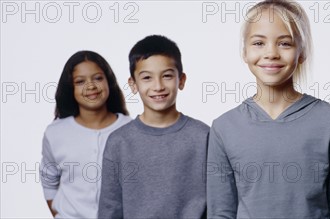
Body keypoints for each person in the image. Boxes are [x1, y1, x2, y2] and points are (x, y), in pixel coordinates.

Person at [206, 0, 330, 218]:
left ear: (302, 52)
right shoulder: (224, 128)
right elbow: (221, 212)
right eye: (259, 43)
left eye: (284, 43)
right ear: (244, 51)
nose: (271, 53)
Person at [97, 35, 210, 218]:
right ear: (133, 84)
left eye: (166, 76)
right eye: (147, 78)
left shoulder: (203, 136)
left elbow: (219, 203)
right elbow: (110, 209)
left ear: (181, 80)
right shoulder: (119, 142)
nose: (158, 86)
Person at [40, 50, 131, 218]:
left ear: (108, 82)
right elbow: (49, 179)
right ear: (71, 88)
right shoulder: (56, 133)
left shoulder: (132, 130)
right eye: (80, 81)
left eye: (98, 78)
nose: (91, 86)